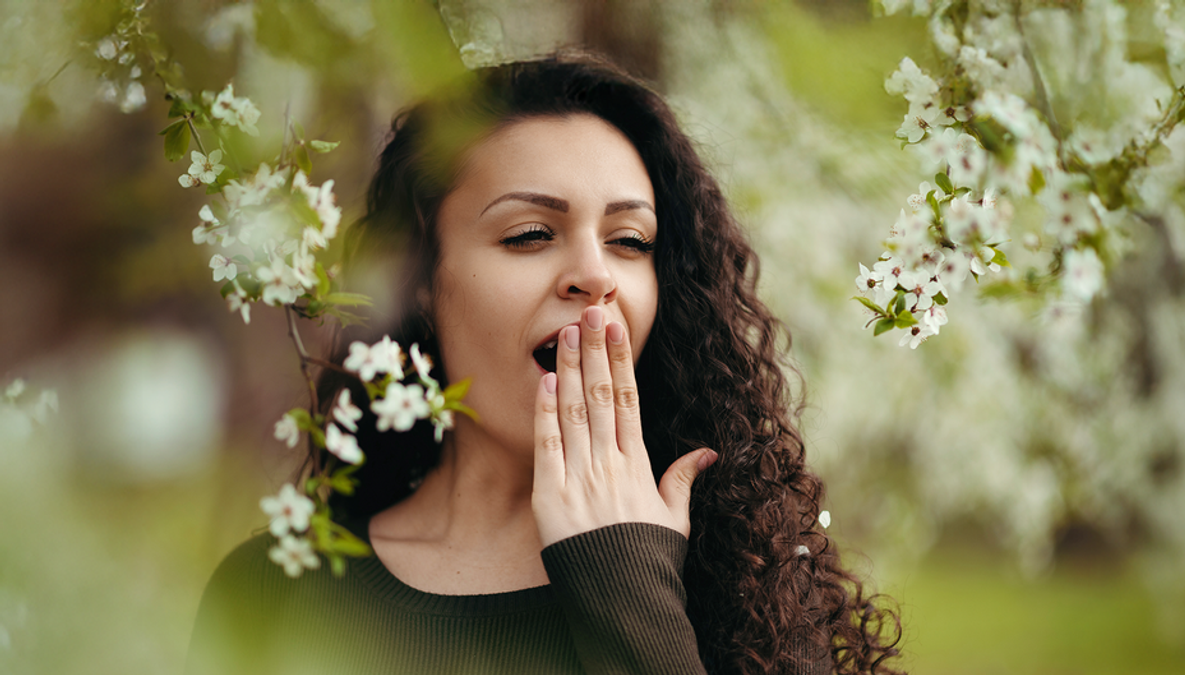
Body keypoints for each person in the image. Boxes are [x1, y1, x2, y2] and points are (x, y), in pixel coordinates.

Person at [187, 52, 903, 675]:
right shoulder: (272, 590)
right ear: (420, 281)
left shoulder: (744, 594)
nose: (595, 274)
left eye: (630, 240)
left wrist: (630, 587)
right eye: (530, 234)